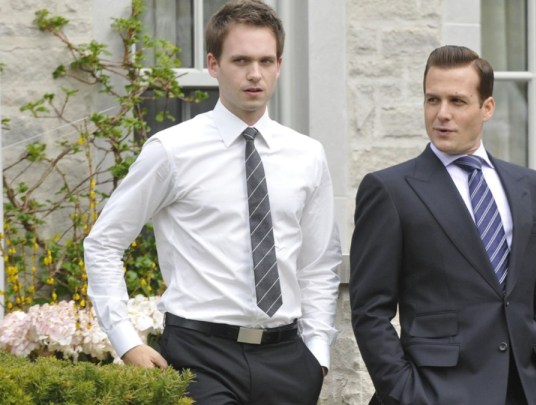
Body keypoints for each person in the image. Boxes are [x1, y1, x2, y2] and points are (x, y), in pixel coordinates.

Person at [84, 1, 342, 404]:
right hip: (199, 356)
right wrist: (125, 340)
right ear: (213, 64)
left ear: (278, 65)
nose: (254, 73)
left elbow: (319, 262)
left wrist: (317, 353)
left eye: (265, 60)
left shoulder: (307, 155)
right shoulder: (171, 150)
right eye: (240, 60)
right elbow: (104, 242)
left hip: (288, 360)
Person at [349, 45, 536, 405]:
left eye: (457, 101)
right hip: (435, 393)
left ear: (487, 108)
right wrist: (406, 392)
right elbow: (370, 311)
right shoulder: (390, 191)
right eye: (432, 100)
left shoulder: (530, 186)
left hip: (530, 392)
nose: (442, 114)